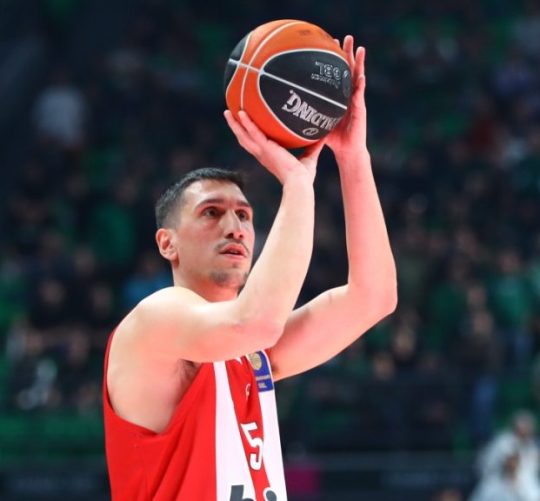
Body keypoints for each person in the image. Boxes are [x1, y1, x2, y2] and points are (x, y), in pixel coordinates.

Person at [103, 36, 397, 500]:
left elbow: (373, 298)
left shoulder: (250, 355)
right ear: (167, 243)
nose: (235, 226)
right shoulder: (153, 322)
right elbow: (255, 323)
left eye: (244, 215)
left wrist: (352, 158)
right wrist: (297, 185)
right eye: (211, 213)